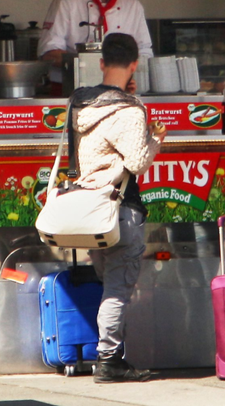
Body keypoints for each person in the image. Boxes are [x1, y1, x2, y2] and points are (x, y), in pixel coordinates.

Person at [68, 33, 164, 383]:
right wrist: (155, 141)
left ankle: (113, 356)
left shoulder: (80, 103)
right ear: (135, 64)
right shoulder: (129, 111)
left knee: (108, 283)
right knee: (118, 290)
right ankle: (108, 360)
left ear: (102, 63)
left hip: (89, 211)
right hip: (119, 209)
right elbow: (137, 162)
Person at [38, 0, 153, 91]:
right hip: (68, 88)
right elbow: (48, 52)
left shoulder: (133, 6)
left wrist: (128, 74)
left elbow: (144, 51)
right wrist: (87, 62)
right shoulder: (66, 2)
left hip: (120, 89)